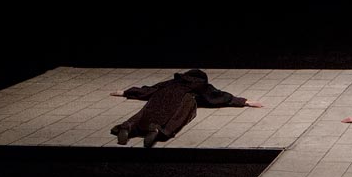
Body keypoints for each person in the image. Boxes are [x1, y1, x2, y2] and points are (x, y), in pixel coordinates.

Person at [109, 69, 263, 147]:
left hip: (160, 96)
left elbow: (149, 89)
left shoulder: (172, 82)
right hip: (183, 98)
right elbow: (217, 96)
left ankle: (128, 126)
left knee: (144, 113)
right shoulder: (200, 85)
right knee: (177, 116)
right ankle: (158, 130)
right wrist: (245, 101)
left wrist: (124, 92)